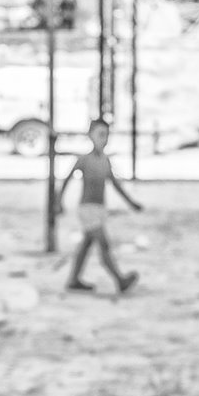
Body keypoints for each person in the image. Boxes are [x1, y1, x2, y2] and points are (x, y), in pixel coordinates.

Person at [53, 119, 143, 295]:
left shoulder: (105, 161)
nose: (104, 139)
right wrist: (59, 202)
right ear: (90, 136)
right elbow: (66, 180)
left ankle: (73, 280)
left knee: (86, 245)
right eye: (100, 135)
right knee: (104, 244)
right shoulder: (84, 160)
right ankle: (119, 279)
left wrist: (131, 203)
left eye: (106, 135)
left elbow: (115, 185)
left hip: (100, 209)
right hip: (87, 209)